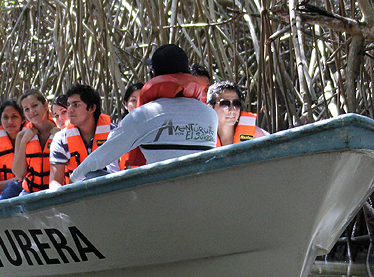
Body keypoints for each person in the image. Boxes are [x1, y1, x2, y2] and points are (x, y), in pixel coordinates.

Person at [69, 44, 217, 183]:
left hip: (160, 197)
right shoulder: (210, 115)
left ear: (153, 74)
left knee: (91, 174)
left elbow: (99, 159)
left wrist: (73, 180)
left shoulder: (144, 115)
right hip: (200, 192)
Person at [49, 83, 113, 189]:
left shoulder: (114, 133)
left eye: (76, 105)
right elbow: (54, 181)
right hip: (77, 197)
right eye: (69, 105)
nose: (70, 110)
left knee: (94, 176)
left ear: (92, 108)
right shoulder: (61, 139)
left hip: (113, 193)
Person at [11, 89, 61, 194]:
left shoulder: (62, 132)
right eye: (26, 109)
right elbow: (19, 174)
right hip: (30, 193)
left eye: (34, 106)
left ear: (46, 105)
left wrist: (60, 137)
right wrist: (24, 142)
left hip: (58, 191)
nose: (31, 112)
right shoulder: (21, 136)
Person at [207, 81, 269, 145]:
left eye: (236, 104)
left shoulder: (256, 135)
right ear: (210, 108)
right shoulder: (201, 135)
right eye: (225, 104)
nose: (232, 109)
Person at [0, 98, 26, 199]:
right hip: (6, 196)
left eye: (14, 116)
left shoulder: (32, 141)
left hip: (29, 191)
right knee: (12, 186)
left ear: (22, 120)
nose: (10, 121)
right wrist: (15, 179)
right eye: (5, 117)